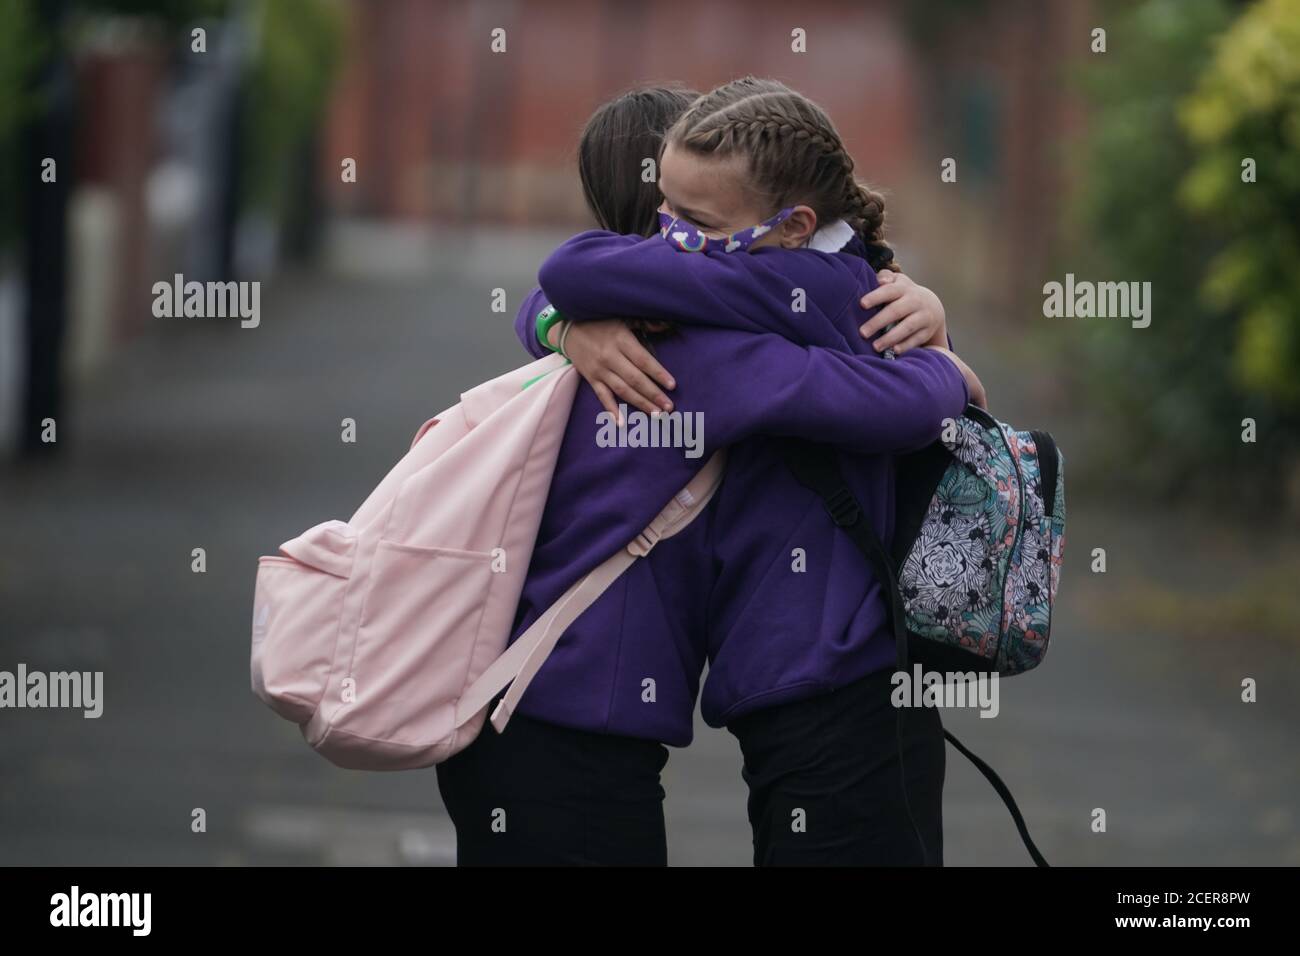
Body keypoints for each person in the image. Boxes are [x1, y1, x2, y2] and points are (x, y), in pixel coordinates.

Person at [435, 81, 982, 866]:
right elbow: (891, 397)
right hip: (627, 716)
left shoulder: (693, 328)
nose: (676, 238)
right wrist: (950, 367)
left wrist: (557, 323)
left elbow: (567, 275)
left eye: (692, 221)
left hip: (565, 714)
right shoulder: (718, 330)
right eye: (666, 220)